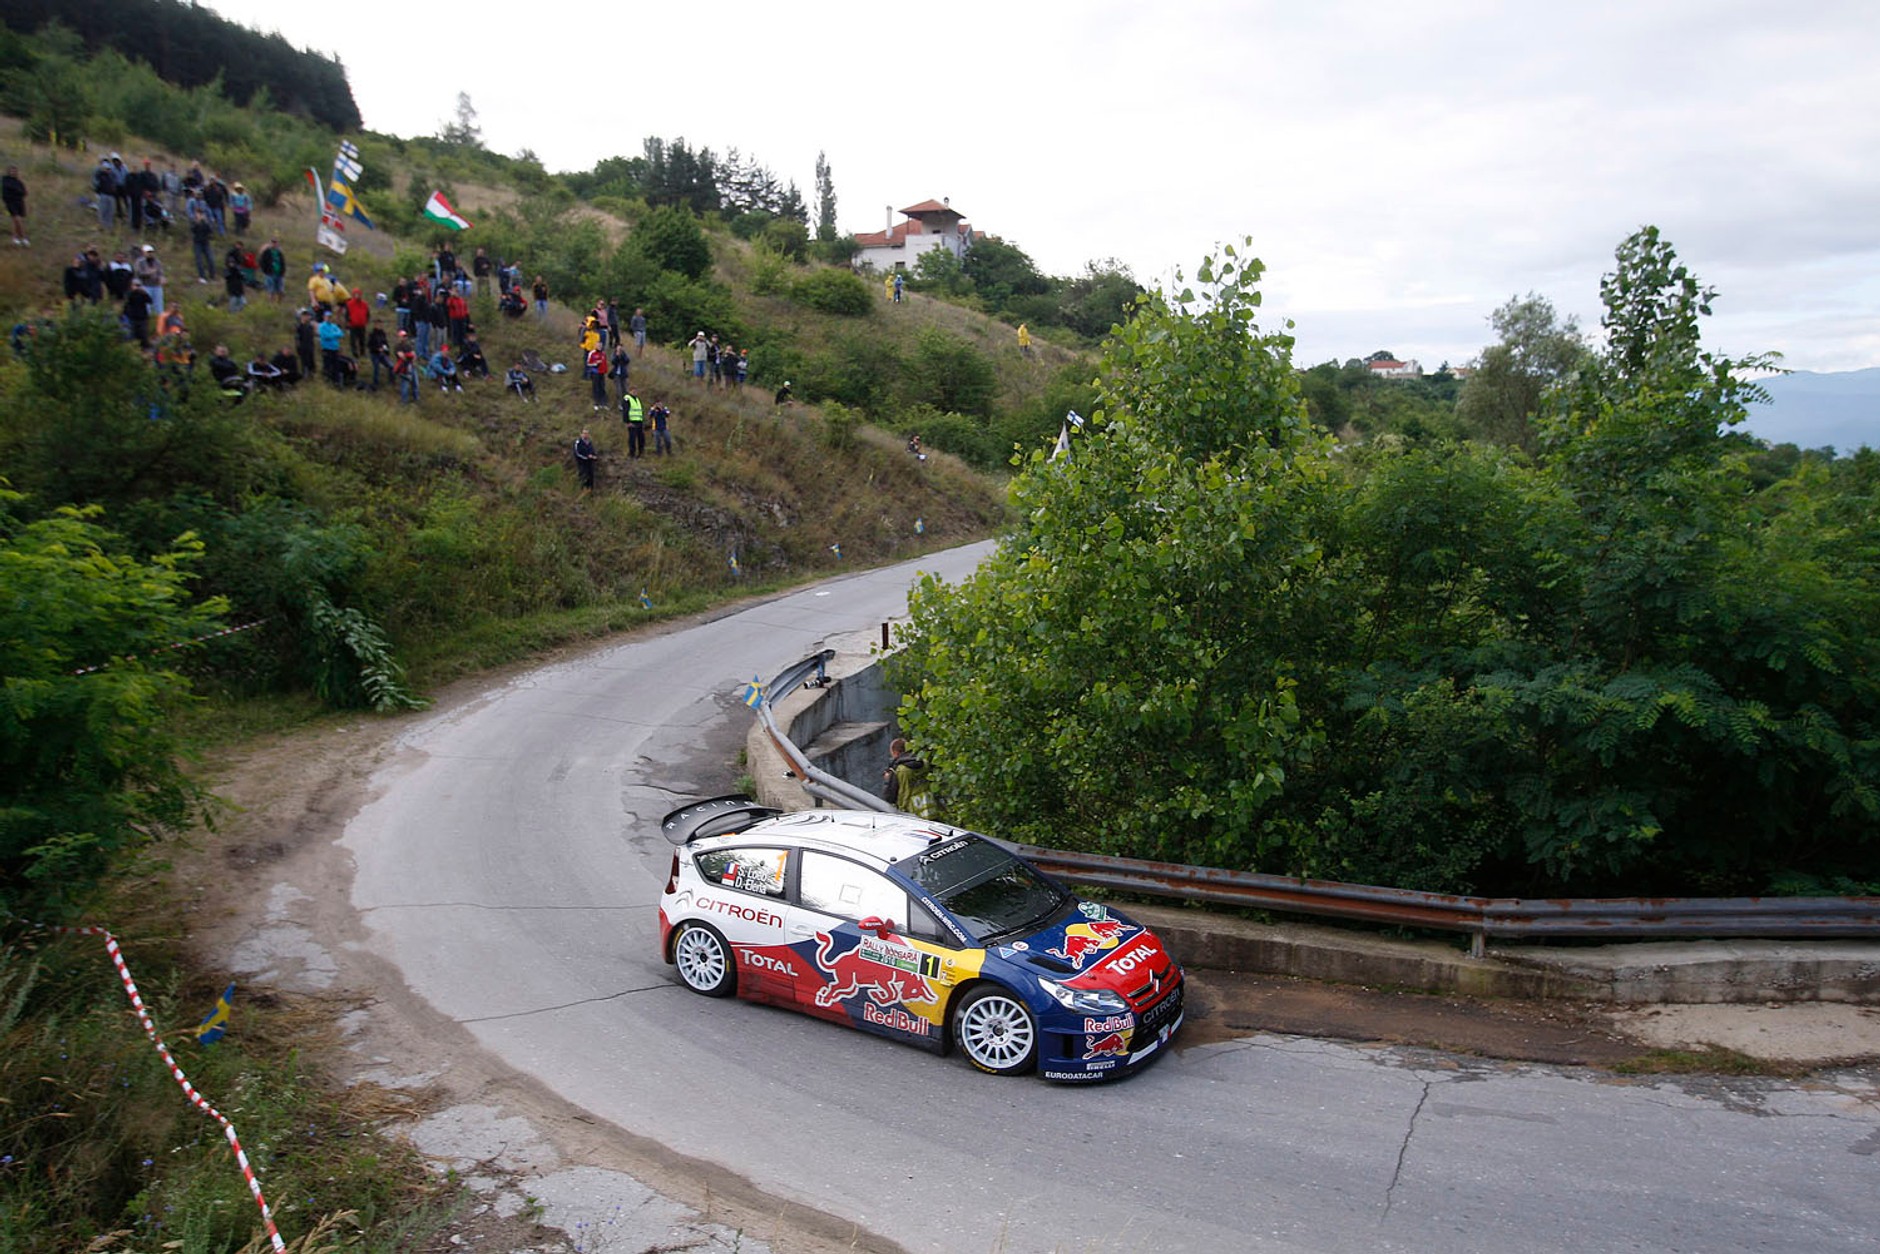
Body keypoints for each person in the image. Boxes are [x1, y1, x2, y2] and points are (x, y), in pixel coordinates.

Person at [879, 738, 935, 817]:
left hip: (910, 814)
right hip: (930, 809)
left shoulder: (900, 770)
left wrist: (888, 779)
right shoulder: (924, 763)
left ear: (895, 753)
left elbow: (889, 797)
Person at [132, 244, 164, 317]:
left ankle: (160, 319)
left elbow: (160, 272)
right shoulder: (139, 262)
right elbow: (138, 273)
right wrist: (148, 273)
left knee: (159, 305)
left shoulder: (157, 262)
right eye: (148, 252)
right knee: (146, 305)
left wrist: (161, 278)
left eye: (151, 252)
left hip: (156, 285)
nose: (150, 254)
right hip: (145, 285)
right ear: (144, 253)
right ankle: (147, 318)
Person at [123, 279, 155, 348]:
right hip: (132, 317)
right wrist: (133, 291)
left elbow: (150, 301)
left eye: (138, 285)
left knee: (143, 334)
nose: (137, 287)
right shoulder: (129, 293)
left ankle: (145, 346)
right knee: (133, 334)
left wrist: (143, 292)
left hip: (142, 317)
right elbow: (127, 300)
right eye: (136, 285)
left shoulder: (142, 294)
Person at [317, 311, 344, 383]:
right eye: (327, 317)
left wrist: (331, 334)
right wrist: (334, 335)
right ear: (324, 317)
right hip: (326, 349)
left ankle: (336, 381)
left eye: (330, 317)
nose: (329, 318)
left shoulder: (334, 325)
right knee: (327, 366)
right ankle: (327, 381)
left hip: (335, 349)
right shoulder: (321, 326)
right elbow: (325, 336)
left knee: (336, 366)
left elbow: (341, 334)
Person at [3, 165, 26, 245]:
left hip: (19, 202)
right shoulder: (4, 181)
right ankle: (23, 237)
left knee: (16, 221)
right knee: (17, 219)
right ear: (8, 172)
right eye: (12, 171)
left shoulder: (18, 182)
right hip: (10, 202)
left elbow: (24, 192)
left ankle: (16, 238)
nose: (13, 172)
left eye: (15, 171)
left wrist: (19, 193)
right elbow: (5, 193)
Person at [392, 331, 418, 404]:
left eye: (405, 336)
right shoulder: (398, 347)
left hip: (411, 366)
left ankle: (416, 398)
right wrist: (410, 356)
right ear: (399, 337)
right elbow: (402, 356)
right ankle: (404, 402)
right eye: (403, 336)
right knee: (405, 385)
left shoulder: (408, 346)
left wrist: (411, 358)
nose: (404, 338)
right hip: (403, 368)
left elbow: (414, 355)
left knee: (415, 384)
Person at [344, 288, 371, 357]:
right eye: (355, 294)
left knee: (362, 340)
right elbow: (346, 315)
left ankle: (362, 353)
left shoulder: (364, 304)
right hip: (353, 325)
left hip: (362, 325)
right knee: (353, 340)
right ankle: (354, 353)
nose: (357, 296)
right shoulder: (349, 304)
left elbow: (368, 314)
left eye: (358, 294)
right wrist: (348, 323)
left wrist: (366, 321)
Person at [621, 390, 645, 457]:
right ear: (630, 391)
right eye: (633, 391)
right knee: (632, 439)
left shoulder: (637, 399)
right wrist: (627, 422)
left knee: (641, 438)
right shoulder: (627, 398)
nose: (635, 392)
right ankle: (632, 454)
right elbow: (625, 411)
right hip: (632, 422)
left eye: (636, 391)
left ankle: (641, 453)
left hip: (639, 421)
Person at [366, 325, 391, 389]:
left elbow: (385, 343)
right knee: (376, 368)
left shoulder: (383, 334)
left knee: (391, 366)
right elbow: (369, 346)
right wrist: (377, 349)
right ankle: (375, 382)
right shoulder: (372, 335)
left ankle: (391, 381)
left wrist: (386, 351)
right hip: (374, 354)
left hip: (382, 354)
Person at [295, 309, 317, 381]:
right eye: (305, 316)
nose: (306, 317)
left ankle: (311, 376)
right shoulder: (299, 327)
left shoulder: (310, 327)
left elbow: (312, 337)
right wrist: (298, 348)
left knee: (311, 363)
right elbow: (297, 338)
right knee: (305, 364)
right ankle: (305, 377)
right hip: (303, 348)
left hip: (310, 347)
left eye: (307, 316)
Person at [586, 343, 608, 409]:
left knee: (602, 387)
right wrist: (595, 363)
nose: (599, 347)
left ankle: (603, 403)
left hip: (602, 373)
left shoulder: (603, 353)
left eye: (600, 346)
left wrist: (605, 370)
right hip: (595, 372)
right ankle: (596, 403)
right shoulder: (592, 353)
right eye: (598, 346)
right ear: (595, 346)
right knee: (596, 387)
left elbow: (605, 363)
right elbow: (588, 363)